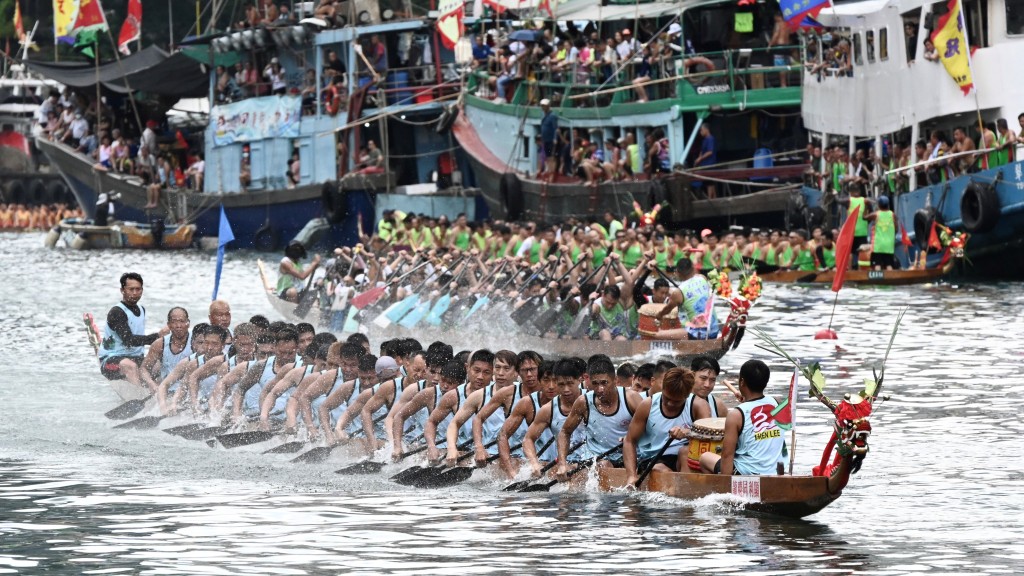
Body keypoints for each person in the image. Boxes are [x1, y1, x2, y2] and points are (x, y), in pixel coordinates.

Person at [555, 357, 644, 477]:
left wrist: (632, 436)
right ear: (589, 381)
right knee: (604, 465)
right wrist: (562, 464)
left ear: (615, 380)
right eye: (595, 384)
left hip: (629, 456)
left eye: (604, 383)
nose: (600, 389)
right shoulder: (583, 402)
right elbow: (565, 432)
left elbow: (651, 428)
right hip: (597, 459)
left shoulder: (631, 399)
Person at [700, 359, 784, 475]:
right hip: (775, 471)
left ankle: (718, 490)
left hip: (747, 473)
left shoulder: (736, 415)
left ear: (742, 382)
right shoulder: (777, 404)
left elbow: (727, 455)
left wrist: (726, 487)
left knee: (705, 457)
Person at [623, 367, 695, 485]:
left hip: (683, 458)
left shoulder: (698, 405)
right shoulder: (647, 405)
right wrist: (631, 476)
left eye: (676, 401)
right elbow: (629, 441)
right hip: (653, 459)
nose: (670, 403)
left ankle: (686, 493)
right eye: (666, 398)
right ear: (663, 388)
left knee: (685, 452)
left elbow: (710, 437)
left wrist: (687, 433)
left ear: (687, 396)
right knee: (660, 469)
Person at [98, 272, 169, 391]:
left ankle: (157, 393)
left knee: (161, 364)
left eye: (138, 289)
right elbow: (128, 340)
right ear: (122, 290)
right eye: (131, 289)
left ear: (142, 290)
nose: (135, 293)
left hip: (136, 357)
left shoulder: (142, 309)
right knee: (130, 366)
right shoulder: (117, 312)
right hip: (111, 360)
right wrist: (157, 336)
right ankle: (138, 397)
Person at [655, 258, 719, 340]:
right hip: (714, 331)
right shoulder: (703, 278)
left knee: (658, 334)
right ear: (693, 268)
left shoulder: (678, 292)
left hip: (698, 335)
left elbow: (667, 310)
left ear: (677, 272)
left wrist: (659, 315)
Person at [139, 307, 192, 393]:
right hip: (167, 390)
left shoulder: (196, 342)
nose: (178, 326)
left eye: (182, 321)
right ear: (169, 325)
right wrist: (151, 384)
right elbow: (144, 369)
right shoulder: (159, 344)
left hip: (189, 390)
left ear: (188, 323)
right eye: (174, 322)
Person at [865, 195, 896, 270]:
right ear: (888, 205)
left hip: (878, 245)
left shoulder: (876, 214)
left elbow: (864, 217)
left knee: (877, 264)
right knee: (889, 265)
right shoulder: (892, 215)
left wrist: (867, 205)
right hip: (889, 245)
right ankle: (890, 280)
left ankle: (877, 280)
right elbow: (896, 229)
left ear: (878, 205)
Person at [694, 124, 717, 199]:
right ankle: (714, 199)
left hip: (709, 164)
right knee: (709, 183)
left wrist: (700, 159)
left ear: (707, 130)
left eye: (702, 130)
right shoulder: (704, 140)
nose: (701, 132)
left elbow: (710, 152)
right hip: (704, 165)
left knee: (710, 183)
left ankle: (710, 199)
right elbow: (702, 151)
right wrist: (698, 159)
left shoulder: (710, 139)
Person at [539, 99, 558, 180]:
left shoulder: (552, 116)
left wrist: (555, 138)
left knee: (551, 157)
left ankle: (551, 174)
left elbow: (555, 128)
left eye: (544, 106)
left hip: (550, 140)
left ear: (548, 106)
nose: (543, 108)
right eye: (542, 106)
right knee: (547, 157)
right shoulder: (544, 115)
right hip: (545, 140)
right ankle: (548, 172)